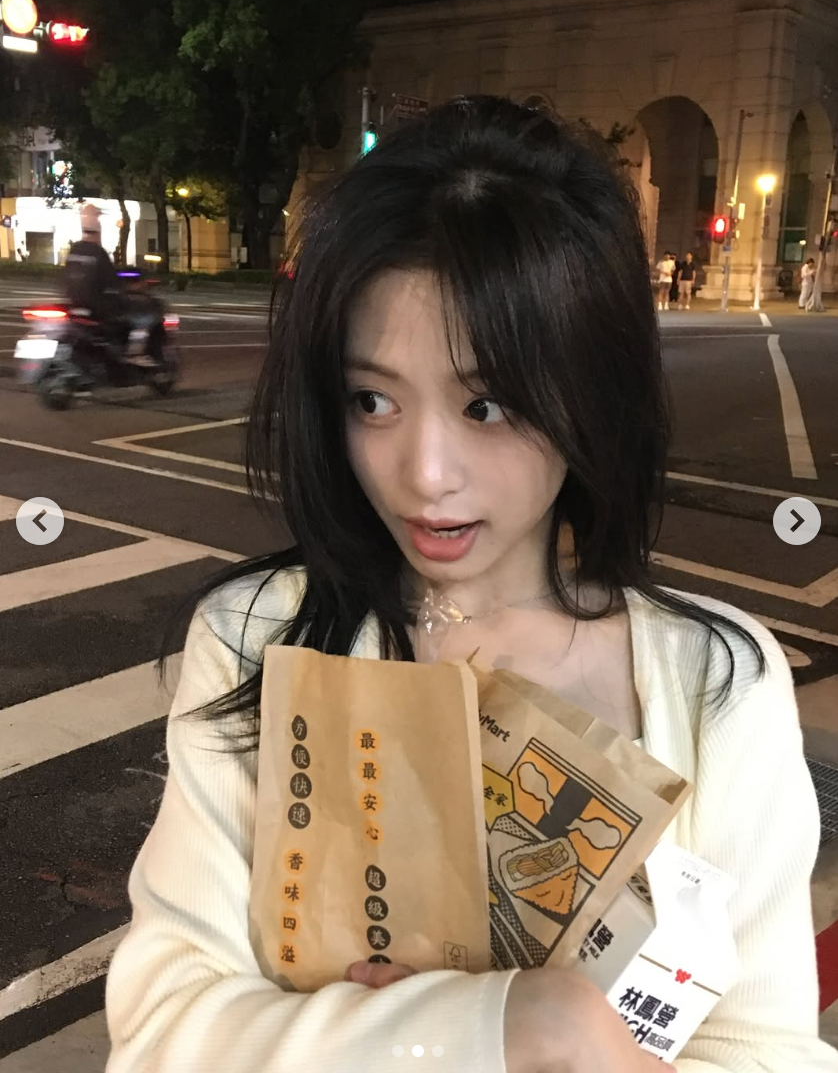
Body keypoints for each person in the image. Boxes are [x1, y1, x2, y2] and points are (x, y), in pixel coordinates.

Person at [104, 97, 837, 1073]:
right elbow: (161, 1033)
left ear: (593, 391)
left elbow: (765, 1050)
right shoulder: (256, 638)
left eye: (486, 405)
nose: (425, 474)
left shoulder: (716, 683)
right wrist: (518, 1026)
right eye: (373, 398)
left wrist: (557, 1042)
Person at [63, 205, 128, 360]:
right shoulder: (98, 253)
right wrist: (119, 293)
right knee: (120, 327)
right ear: (98, 232)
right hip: (96, 307)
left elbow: (65, 276)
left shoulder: (75, 249)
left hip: (73, 304)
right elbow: (111, 280)